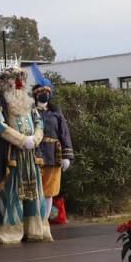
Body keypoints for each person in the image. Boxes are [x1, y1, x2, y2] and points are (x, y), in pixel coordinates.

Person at [0, 67, 52, 244]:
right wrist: (21, 140)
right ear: (4, 82)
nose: (19, 84)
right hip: (11, 156)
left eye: (21, 80)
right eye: (14, 80)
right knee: (11, 194)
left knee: (34, 193)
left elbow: (38, 120)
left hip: (31, 155)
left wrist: (36, 138)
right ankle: (9, 232)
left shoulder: (29, 102)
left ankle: (34, 230)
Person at [32, 82, 74, 222]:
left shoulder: (56, 113)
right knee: (34, 190)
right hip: (34, 155)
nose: (45, 94)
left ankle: (44, 222)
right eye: (41, 91)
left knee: (49, 191)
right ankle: (34, 221)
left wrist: (67, 156)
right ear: (35, 94)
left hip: (53, 155)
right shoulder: (30, 112)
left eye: (47, 91)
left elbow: (64, 134)